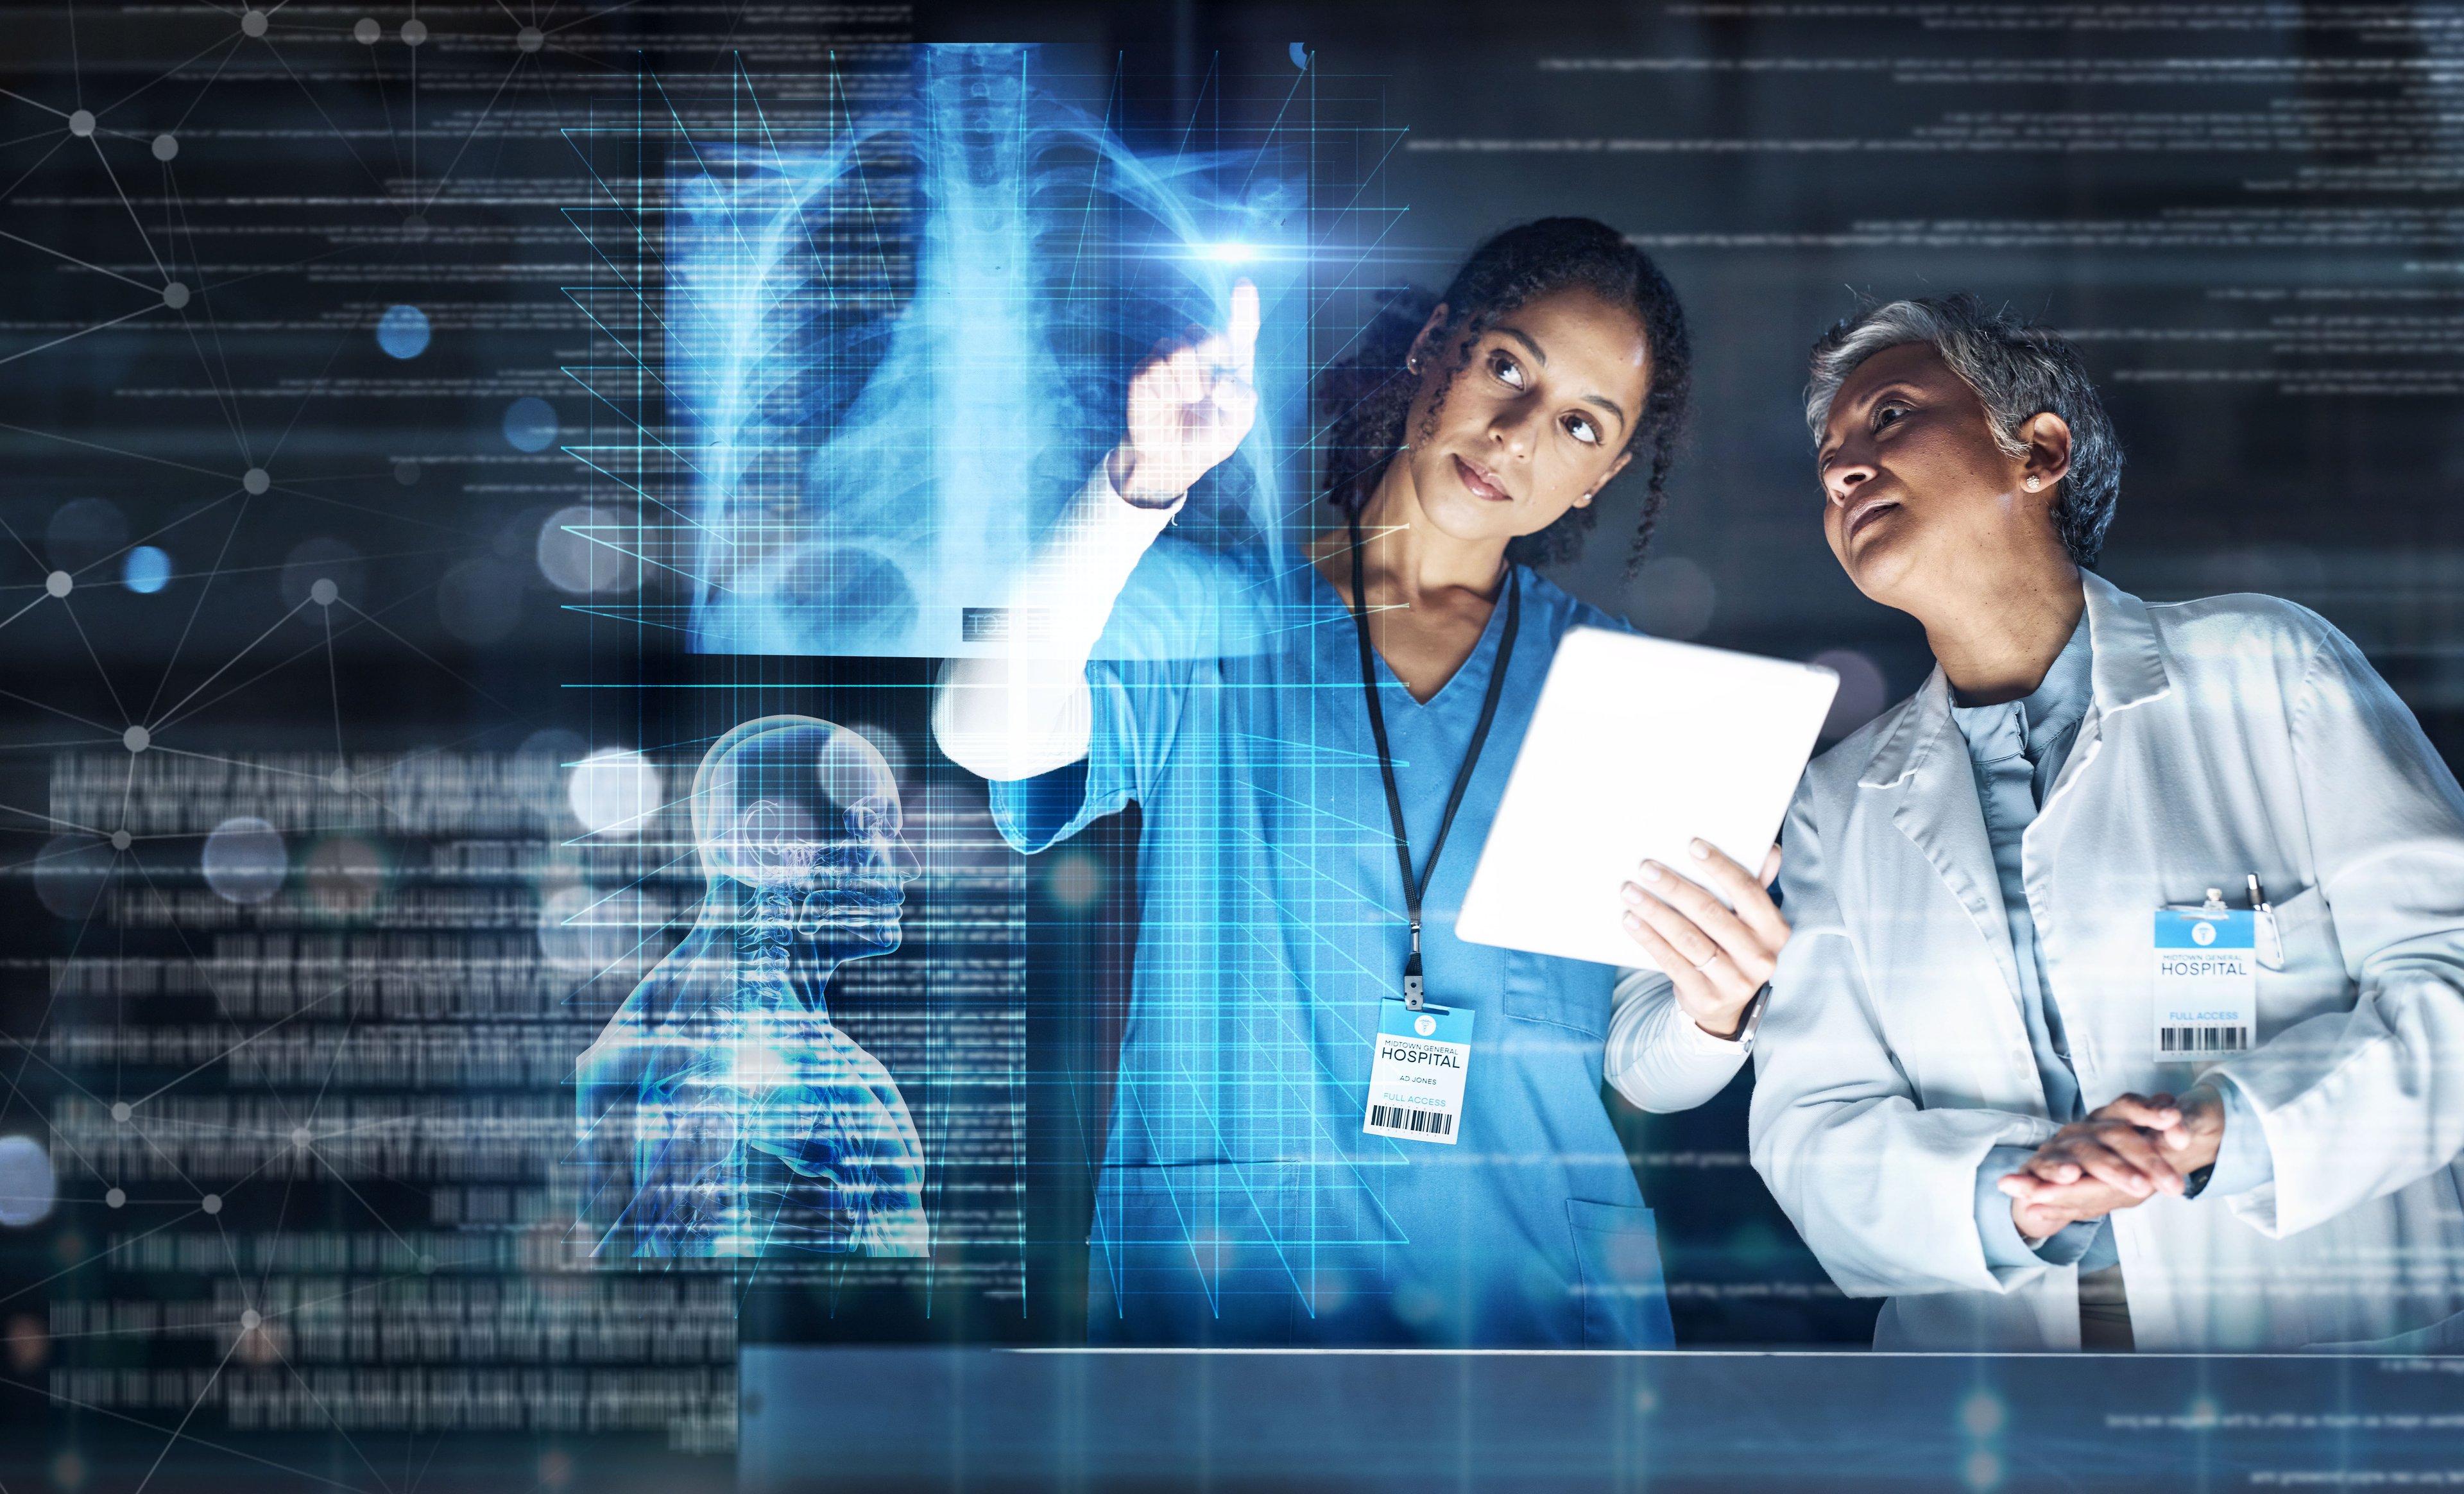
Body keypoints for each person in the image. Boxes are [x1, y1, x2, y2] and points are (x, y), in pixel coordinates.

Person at [932, 218, 1787, 1346]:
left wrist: (1716, 1009)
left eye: (1581, 422)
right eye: (1507, 368)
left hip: (1533, 1304)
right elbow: (983, 729)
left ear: (1608, 470)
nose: (1520, 436)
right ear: (1437, 345)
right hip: (1240, 1285)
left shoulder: (1621, 691)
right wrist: (1140, 487)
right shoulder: (1216, 609)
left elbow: (1642, 1065)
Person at [1732, 293, 2464, 1351]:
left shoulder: (2267, 668)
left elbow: (2449, 975)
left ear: (2038, 450)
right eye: (1830, 453)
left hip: (2318, 1347)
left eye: (1888, 415)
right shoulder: (1837, 804)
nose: (1841, 467)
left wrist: (2227, 1129)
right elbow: (1813, 1132)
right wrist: (2011, 1196)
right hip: (1996, 1394)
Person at [575, 716, 928, 1260]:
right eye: (873, 826)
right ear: (770, 845)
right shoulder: (700, 1052)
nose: (908, 864)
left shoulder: (811, 1053)